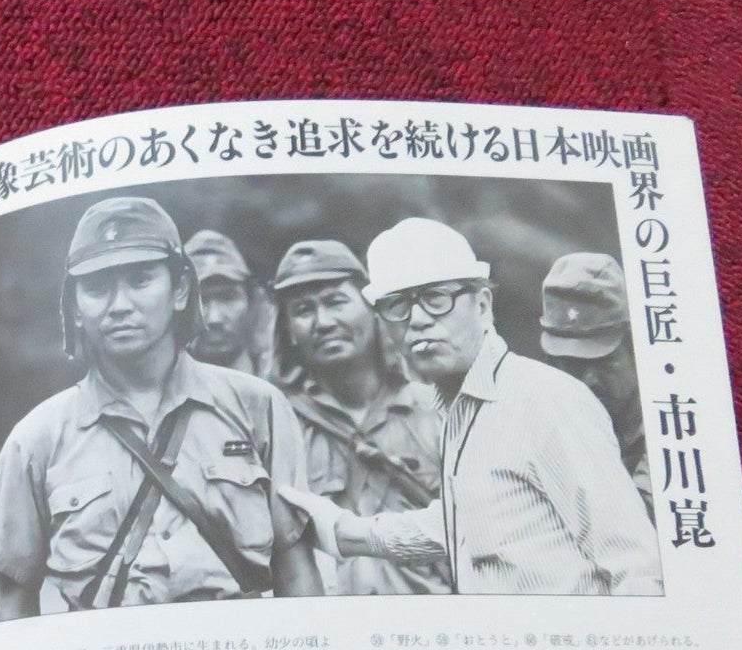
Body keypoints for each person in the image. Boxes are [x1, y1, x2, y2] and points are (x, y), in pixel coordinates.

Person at [0, 197, 321, 619]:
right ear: (75, 307)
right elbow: (14, 605)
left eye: (140, 280)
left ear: (180, 290)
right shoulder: (36, 439)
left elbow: (297, 573)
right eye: (97, 287)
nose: (119, 305)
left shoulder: (258, 408)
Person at [277, 218, 662, 596]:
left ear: (482, 304)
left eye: (435, 298)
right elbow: (466, 520)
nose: (418, 320)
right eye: (398, 306)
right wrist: (343, 531)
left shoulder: (544, 399)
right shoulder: (458, 410)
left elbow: (636, 563)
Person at [269, 239, 447, 596]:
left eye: (336, 302)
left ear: (373, 310)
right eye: (303, 310)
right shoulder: (277, 427)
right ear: (288, 332)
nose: (322, 322)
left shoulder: (436, 411)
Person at [539, 252, 656, 524]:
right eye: (571, 364)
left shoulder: (667, 420)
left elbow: (635, 522)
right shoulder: (542, 423)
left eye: (602, 361)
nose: (588, 380)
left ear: (634, 347)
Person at [185, 229, 274, 379]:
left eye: (227, 298)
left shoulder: (281, 388)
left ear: (253, 303)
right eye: (199, 300)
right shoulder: (154, 390)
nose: (214, 319)